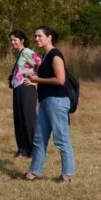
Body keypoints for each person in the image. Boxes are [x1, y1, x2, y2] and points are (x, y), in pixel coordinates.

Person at [23, 26, 76, 182]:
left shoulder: (55, 55)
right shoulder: (45, 56)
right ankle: (34, 172)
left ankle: (67, 175)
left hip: (57, 101)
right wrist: (34, 81)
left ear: (49, 37)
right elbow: (47, 80)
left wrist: (36, 80)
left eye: (40, 36)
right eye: (35, 36)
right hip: (46, 100)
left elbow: (60, 80)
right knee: (39, 138)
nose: (37, 39)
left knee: (61, 138)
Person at [8, 29, 41, 158]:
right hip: (18, 88)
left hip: (27, 89)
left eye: (15, 40)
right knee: (19, 119)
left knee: (28, 119)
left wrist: (36, 81)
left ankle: (34, 150)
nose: (12, 42)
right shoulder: (20, 53)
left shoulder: (27, 52)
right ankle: (22, 149)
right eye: (11, 40)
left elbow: (40, 65)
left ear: (22, 40)